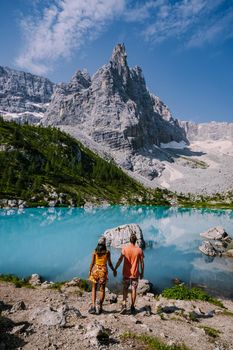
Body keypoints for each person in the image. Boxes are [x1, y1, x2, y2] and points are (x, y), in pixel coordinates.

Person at [115, 233, 144, 314]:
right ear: (135, 241)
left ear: (129, 240)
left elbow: (120, 260)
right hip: (135, 274)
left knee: (125, 288)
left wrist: (115, 268)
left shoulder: (125, 249)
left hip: (126, 274)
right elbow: (142, 263)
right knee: (134, 289)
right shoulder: (139, 250)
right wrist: (142, 273)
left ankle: (124, 304)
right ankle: (132, 307)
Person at [88, 236, 116, 314]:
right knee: (102, 289)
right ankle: (100, 306)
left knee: (94, 288)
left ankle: (93, 306)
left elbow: (92, 262)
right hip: (103, 271)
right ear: (104, 244)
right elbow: (109, 263)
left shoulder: (95, 251)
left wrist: (90, 270)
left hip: (95, 270)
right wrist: (114, 270)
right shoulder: (107, 252)